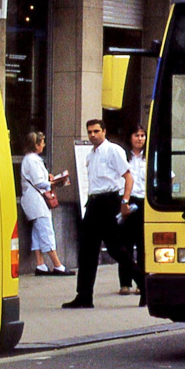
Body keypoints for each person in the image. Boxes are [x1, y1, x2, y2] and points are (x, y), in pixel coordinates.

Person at [63, 119, 141, 309]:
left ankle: (144, 283)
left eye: (96, 131)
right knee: (87, 250)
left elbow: (128, 177)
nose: (92, 135)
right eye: (89, 132)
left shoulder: (113, 150)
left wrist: (125, 201)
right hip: (94, 202)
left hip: (109, 202)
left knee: (116, 249)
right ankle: (84, 295)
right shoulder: (90, 155)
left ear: (104, 131)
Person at [19, 132, 75, 277]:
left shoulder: (29, 159)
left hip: (33, 200)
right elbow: (39, 182)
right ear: (36, 145)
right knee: (46, 231)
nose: (44, 145)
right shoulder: (32, 160)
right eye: (42, 142)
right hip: (37, 202)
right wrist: (55, 181)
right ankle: (57, 265)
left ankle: (40, 264)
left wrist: (49, 178)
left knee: (37, 233)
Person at [117, 125, 147, 306]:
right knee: (125, 243)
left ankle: (140, 282)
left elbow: (168, 176)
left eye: (143, 135)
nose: (140, 139)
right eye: (137, 135)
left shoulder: (150, 156)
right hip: (127, 201)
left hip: (144, 202)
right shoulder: (123, 157)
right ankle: (125, 282)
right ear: (130, 137)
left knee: (142, 243)